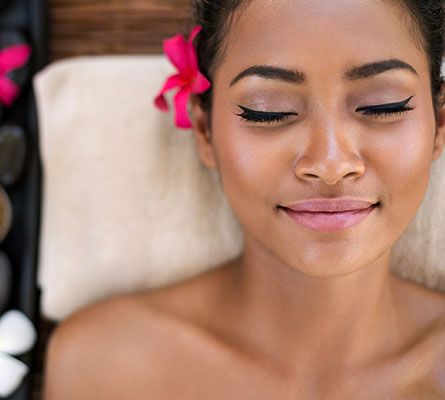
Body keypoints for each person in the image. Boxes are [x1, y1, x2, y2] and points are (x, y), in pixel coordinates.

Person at [43, 1, 445, 398]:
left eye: (383, 106)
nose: (330, 163)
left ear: (438, 124)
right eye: (267, 111)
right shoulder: (106, 366)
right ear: (204, 130)